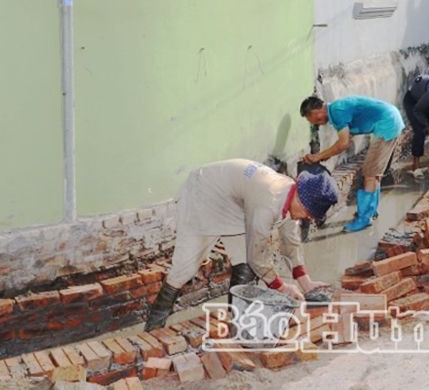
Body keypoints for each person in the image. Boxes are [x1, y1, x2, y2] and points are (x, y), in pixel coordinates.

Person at [144, 161, 338, 330]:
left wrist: (305, 283)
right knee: (183, 270)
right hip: (204, 196)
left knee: (244, 265)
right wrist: (281, 287)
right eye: (307, 213)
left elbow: (291, 241)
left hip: (235, 207)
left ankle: (238, 324)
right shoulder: (269, 201)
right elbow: (258, 255)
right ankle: (154, 325)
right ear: (301, 199)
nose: (305, 218)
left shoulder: (292, 194)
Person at [299, 95, 403, 232]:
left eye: (309, 119)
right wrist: (325, 155)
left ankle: (364, 219)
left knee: (370, 174)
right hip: (390, 119)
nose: (313, 123)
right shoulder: (336, 109)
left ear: (315, 113)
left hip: (387, 124)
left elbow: (343, 143)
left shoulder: (337, 112)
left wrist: (319, 156)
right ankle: (370, 211)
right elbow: (347, 138)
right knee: (373, 173)